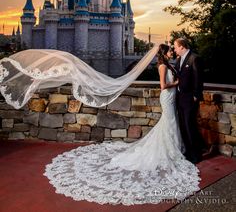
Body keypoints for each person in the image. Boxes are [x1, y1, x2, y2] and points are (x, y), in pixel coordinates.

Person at [0, 45, 200, 205]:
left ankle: (177, 148)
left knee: (170, 123)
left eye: (175, 48)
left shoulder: (171, 64)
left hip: (173, 99)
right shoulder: (163, 66)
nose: (173, 51)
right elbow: (164, 85)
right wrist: (178, 84)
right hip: (169, 96)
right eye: (171, 49)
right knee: (168, 123)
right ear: (165, 53)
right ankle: (173, 149)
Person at [174, 38, 204, 164]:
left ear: (182, 47)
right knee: (183, 125)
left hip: (190, 98)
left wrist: (196, 95)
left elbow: (199, 78)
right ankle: (188, 151)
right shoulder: (178, 59)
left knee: (190, 125)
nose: (174, 49)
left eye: (175, 47)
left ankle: (196, 155)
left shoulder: (194, 58)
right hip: (180, 97)